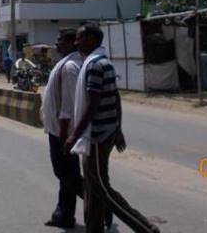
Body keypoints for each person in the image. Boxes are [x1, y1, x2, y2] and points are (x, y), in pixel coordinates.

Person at [65, 24, 159, 233]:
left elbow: (92, 104)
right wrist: (118, 128)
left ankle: (145, 227)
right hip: (102, 133)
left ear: (90, 39)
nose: (76, 42)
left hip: (97, 136)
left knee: (101, 189)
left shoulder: (95, 65)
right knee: (92, 188)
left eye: (79, 38)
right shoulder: (100, 62)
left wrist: (74, 135)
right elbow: (115, 98)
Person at [40, 29, 84, 229]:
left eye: (60, 40)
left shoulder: (69, 67)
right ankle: (63, 215)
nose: (56, 44)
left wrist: (67, 135)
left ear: (71, 43)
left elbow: (69, 105)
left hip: (62, 132)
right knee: (65, 175)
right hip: (57, 130)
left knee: (68, 175)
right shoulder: (65, 63)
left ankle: (100, 203)